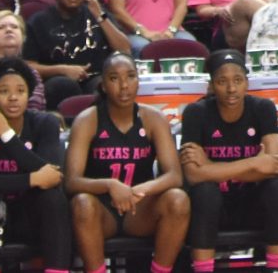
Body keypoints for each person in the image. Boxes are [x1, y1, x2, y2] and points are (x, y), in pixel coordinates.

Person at [68, 53, 192, 273]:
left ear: (138, 81)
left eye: (131, 76)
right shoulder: (87, 119)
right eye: (115, 78)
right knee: (82, 203)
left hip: (139, 209)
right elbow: (72, 181)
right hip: (102, 209)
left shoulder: (153, 118)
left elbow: (174, 175)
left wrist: (141, 190)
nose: (124, 85)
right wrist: (110, 185)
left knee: (178, 199)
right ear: (104, 85)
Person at [178, 51, 278, 273]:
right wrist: (254, 164)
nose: (232, 89)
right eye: (222, 81)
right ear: (212, 85)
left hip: (251, 204)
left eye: (238, 80)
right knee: (205, 192)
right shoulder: (196, 113)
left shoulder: (263, 108)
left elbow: (275, 167)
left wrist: (211, 167)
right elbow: (193, 175)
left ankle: (277, 269)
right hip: (213, 207)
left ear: (247, 83)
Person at [0, 57, 75, 273]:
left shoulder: (45, 123)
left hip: (30, 216)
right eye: (4, 91)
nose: (13, 98)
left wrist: (6, 135)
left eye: (20, 91)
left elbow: (52, 178)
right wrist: (32, 179)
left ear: (29, 94)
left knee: (53, 198)